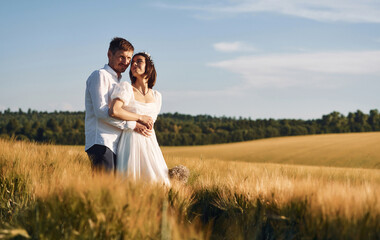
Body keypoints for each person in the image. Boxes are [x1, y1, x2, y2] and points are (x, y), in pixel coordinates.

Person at [85, 37, 151, 172]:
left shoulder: (118, 81)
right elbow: (101, 112)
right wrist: (134, 124)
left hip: (115, 144)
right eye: (121, 57)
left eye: (129, 58)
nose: (126, 62)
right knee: (104, 189)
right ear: (109, 54)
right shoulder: (100, 75)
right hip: (102, 142)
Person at [109, 52, 170, 185]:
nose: (134, 64)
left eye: (139, 61)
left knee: (158, 182)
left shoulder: (157, 96)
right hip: (131, 141)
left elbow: (151, 122)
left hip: (150, 143)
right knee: (132, 183)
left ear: (149, 67)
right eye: (133, 62)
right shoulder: (126, 88)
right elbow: (115, 110)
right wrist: (139, 118)